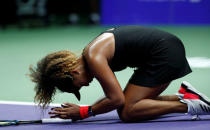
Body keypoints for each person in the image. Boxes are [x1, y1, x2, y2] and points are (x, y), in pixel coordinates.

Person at [29, 26, 210, 122]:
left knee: (127, 112)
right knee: (131, 103)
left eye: (78, 85)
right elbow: (113, 96)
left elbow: (117, 100)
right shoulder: (90, 54)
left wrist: (84, 112)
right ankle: (187, 96)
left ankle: (190, 105)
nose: (85, 85)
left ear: (74, 72)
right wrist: (86, 110)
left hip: (164, 54)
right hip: (161, 52)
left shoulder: (94, 57)